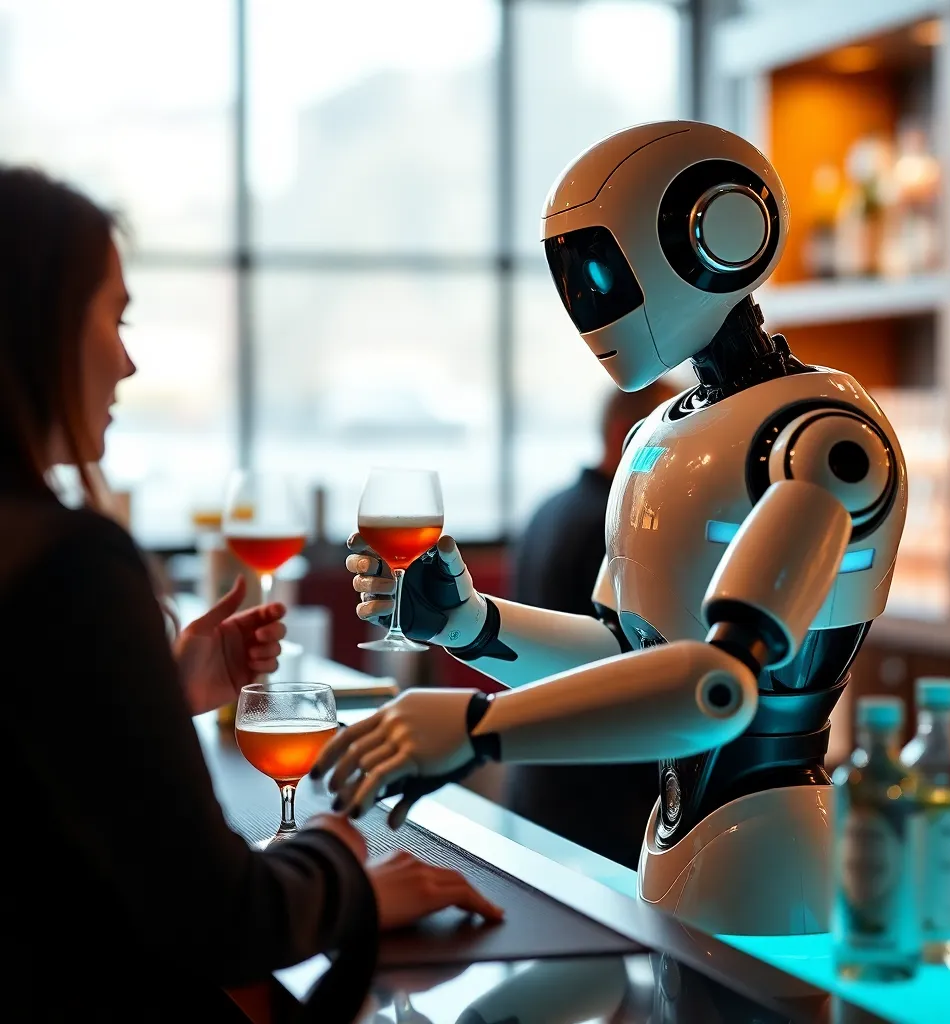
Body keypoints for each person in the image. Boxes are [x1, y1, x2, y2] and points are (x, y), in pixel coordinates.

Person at [0, 166, 502, 1022]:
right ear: (40, 324)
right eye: (114, 318)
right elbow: (220, 918)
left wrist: (161, 694)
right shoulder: (73, 563)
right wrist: (345, 857)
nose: (127, 362)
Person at [503, 381, 677, 868]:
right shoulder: (621, 528)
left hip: (536, 778)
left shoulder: (549, 508)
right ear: (630, 435)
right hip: (599, 799)